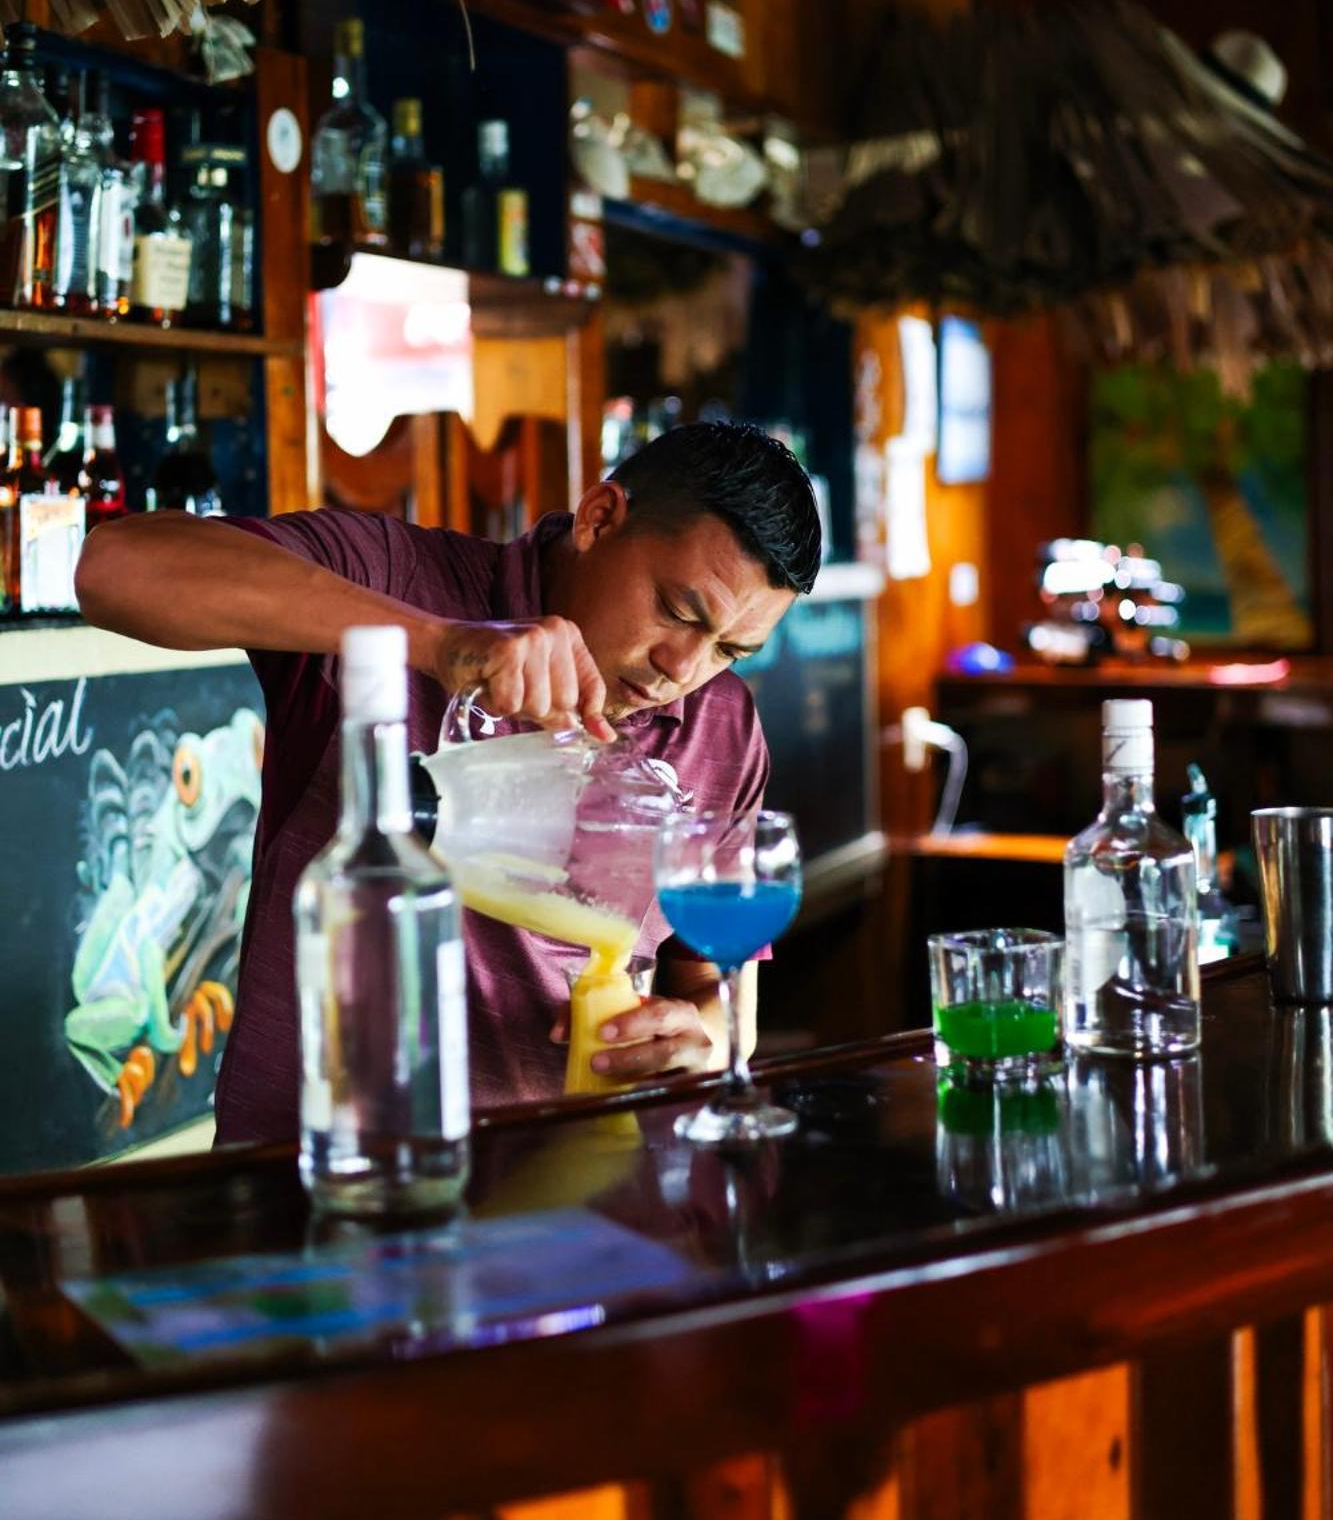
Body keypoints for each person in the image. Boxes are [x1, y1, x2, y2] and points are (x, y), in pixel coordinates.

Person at [75, 421, 822, 1142]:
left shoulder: (719, 723)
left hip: (577, 1196)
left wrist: (699, 1038)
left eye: (730, 649)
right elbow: (113, 568)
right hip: (326, 1178)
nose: (681, 671)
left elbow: (720, 1004)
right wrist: (437, 643)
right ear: (599, 516)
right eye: (676, 610)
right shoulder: (400, 581)